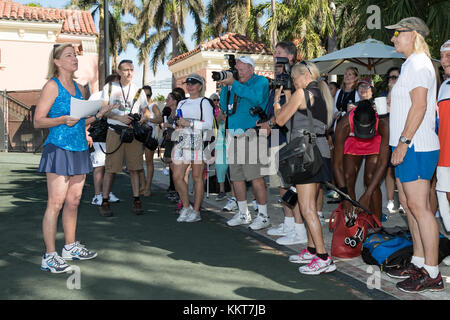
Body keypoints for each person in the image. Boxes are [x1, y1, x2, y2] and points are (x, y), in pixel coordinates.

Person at [34, 43, 117, 273]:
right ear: (57, 62)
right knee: (56, 203)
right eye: (69, 55)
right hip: (59, 148)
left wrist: (99, 114)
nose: (74, 58)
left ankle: (69, 247)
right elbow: (38, 120)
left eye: (76, 55)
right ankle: (49, 255)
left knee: (74, 200)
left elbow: (79, 120)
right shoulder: (52, 86)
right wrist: (61, 120)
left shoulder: (80, 89)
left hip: (80, 148)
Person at [385, 17, 443, 292]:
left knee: (420, 208)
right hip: (410, 145)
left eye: (398, 33)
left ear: (414, 35)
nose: (393, 38)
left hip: (416, 145)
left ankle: (432, 272)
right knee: (409, 206)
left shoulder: (419, 63)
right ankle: (420, 261)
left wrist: (404, 142)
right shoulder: (410, 64)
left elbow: (419, 107)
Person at [273, 61, 335, 275]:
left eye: (294, 77)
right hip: (320, 151)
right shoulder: (322, 94)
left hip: (307, 155)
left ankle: (323, 257)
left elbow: (280, 120)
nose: (292, 81)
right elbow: (296, 123)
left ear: (303, 76)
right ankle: (311, 249)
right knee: (312, 206)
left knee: (308, 208)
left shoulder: (302, 92)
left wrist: (276, 103)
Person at [257, 41, 308, 244]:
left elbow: (287, 113)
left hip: (287, 138)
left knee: (289, 185)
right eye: (274, 53)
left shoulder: (293, 81)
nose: (274, 56)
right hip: (274, 138)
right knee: (280, 185)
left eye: (278, 53)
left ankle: (298, 229)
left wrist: (270, 124)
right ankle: (289, 224)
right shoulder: (277, 80)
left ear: (290, 57)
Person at [219, 56, 271, 230]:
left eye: (241, 70)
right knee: (236, 177)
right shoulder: (233, 84)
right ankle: (243, 213)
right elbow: (223, 105)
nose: (238, 72)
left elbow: (256, 98)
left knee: (256, 177)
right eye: (237, 69)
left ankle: (263, 216)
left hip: (252, 134)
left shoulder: (261, 81)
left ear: (251, 69)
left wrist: (234, 83)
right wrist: (227, 86)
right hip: (233, 134)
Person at [98, 59, 149, 217]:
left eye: (132, 70)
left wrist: (142, 119)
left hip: (132, 133)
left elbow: (146, 111)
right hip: (115, 132)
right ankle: (104, 201)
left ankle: (136, 200)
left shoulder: (138, 90)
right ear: (119, 72)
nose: (129, 73)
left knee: (135, 168)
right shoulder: (109, 88)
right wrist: (119, 118)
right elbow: (103, 110)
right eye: (126, 70)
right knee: (111, 169)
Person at [333, 99, 390, 222]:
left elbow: (382, 163)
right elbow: (337, 166)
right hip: (353, 139)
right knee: (348, 177)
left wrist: (367, 195)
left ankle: (376, 222)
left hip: (375, 139)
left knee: (370, 178)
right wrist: (345, 197)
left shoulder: (383, 123)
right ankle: (351, 219)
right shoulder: (343, 124)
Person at [172, 74, 214, 222]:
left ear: (200, 86)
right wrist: (176, 126)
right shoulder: (182, 103)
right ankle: (186, 206)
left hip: (198, 140)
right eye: (188, 83)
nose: (190, 86)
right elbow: (177, 121)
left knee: (197, 177)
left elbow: (209, 124)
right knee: (177, 176)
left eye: (194, 83)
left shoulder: (205, 102)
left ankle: (196, 211)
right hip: (183, 140)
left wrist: (189, 124)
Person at [87, 74, 121, 206]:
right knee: (99, 166)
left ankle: (107, 192)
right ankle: (97, 195)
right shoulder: (97, 96)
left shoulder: (121, 97)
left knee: (111, 167)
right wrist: (87, 132)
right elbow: (88, 114)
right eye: (116, 83)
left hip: (114, 135)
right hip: (98, 135)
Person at [381, 67, 403, 214]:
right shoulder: (385, 94)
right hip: (389, 136)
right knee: (389, 170)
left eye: (395, 77)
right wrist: (390, 90)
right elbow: (384, 111)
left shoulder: (405, 93)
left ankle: (403, 201)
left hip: (403, 137)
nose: (391, 80)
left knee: (401, 171)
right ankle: (390, 200)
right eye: (390, 77)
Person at [437, 40, 450, 264]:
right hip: (442, 154)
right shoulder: (443, 86)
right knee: (443, 197)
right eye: (442, 56)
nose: (444, 60)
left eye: (449, 55)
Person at [161, 89, 186, 202]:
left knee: (177, 172)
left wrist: (168, 125)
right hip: (170, 141)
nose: (166, 100)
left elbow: (180, 127)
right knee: (173, 170)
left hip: (177, 143)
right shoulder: (170, 111)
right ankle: (177, 192)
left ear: (175, 101)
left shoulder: (179, 111)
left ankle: (180, 195)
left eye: (168, 99)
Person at [140, 85, 163, 197]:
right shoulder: (138, 105)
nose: (146, 97)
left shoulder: (153, 106)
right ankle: (143, 185)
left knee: (149, 162)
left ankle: (148, 187)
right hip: (139, 136)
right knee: (138, 162)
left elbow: (160, 119)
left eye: (148, 95)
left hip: (150, 136)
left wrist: (148, 119)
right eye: (144, 95)